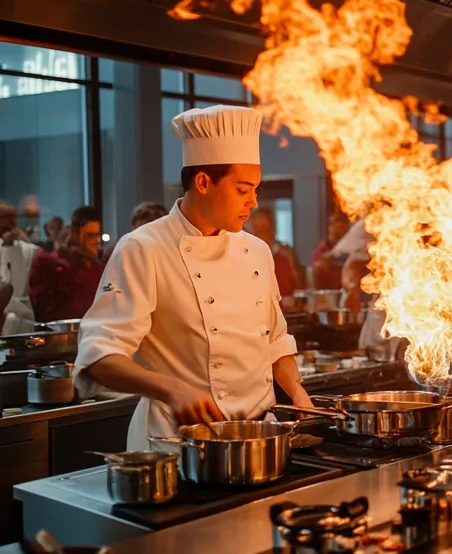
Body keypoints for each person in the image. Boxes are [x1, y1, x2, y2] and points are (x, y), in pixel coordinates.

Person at [72, 104, 313, 451]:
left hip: (259, 440)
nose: (254, 202)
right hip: (177, 444)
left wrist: (297, 391)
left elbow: (274, 341)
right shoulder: (144, 248)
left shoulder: (257, 250)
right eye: (243, 190)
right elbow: (99, 357)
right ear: (203, 182)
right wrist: (172, 388)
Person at [27, 206, 104, 323]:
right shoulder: (45, 263)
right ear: (74, 232)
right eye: (89, 236)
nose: (94, 242)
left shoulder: (97, 267)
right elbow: (47, 310)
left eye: (96, 236)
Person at [0, 202, 41, 333]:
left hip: (24, 314)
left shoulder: (25, 247)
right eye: (6, 216)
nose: (12, 221)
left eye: (14, 216)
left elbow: (42, 256)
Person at [244, 208, 299, 297]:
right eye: (255, 230)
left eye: (264, 230)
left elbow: (291, 293)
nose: (259, 235)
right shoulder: (238, 262)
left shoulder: (282, 261)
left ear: (272, 233)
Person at [101, 202, 169, 262]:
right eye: (136, 230)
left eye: (143, 232)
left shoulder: (169, 252)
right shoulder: (119, 249)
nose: (138, 236)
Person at [310, 213, 348, 289]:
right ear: (330, 227)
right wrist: (323, 263)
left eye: (342, 228)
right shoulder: (322, 251)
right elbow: (315, 271)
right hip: (329, 294)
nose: (339, 230)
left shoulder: (351, 249)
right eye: (336, 227)